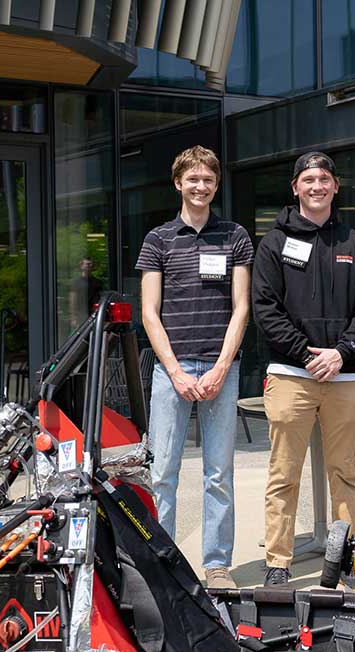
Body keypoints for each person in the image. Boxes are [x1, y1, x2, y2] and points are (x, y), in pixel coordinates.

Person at [251, 151, 355, 586]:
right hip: (292, 375)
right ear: (295, 188)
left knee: (345, 474)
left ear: (335, 187)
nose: (317, 186)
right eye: (308, 179)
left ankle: (349, 560)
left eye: (324, 179)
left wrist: (342, 352)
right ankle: (277, 563)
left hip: (346, 376)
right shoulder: (273, 243)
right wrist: (308, 355)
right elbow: (266, 309)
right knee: (283, 473)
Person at [138, 146, 253, 589]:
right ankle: (160, 559)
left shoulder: (236, 236)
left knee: (218, 472)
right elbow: (150, 313)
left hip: (221, 368)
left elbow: (241, 308)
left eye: (208, 179)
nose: (200, 186)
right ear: (178, 183)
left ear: (216, 184)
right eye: (193, 179)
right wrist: (176, 372)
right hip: (173, 370)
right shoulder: (158, 240)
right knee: (163, 471)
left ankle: (217, 564)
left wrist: (223, 367)